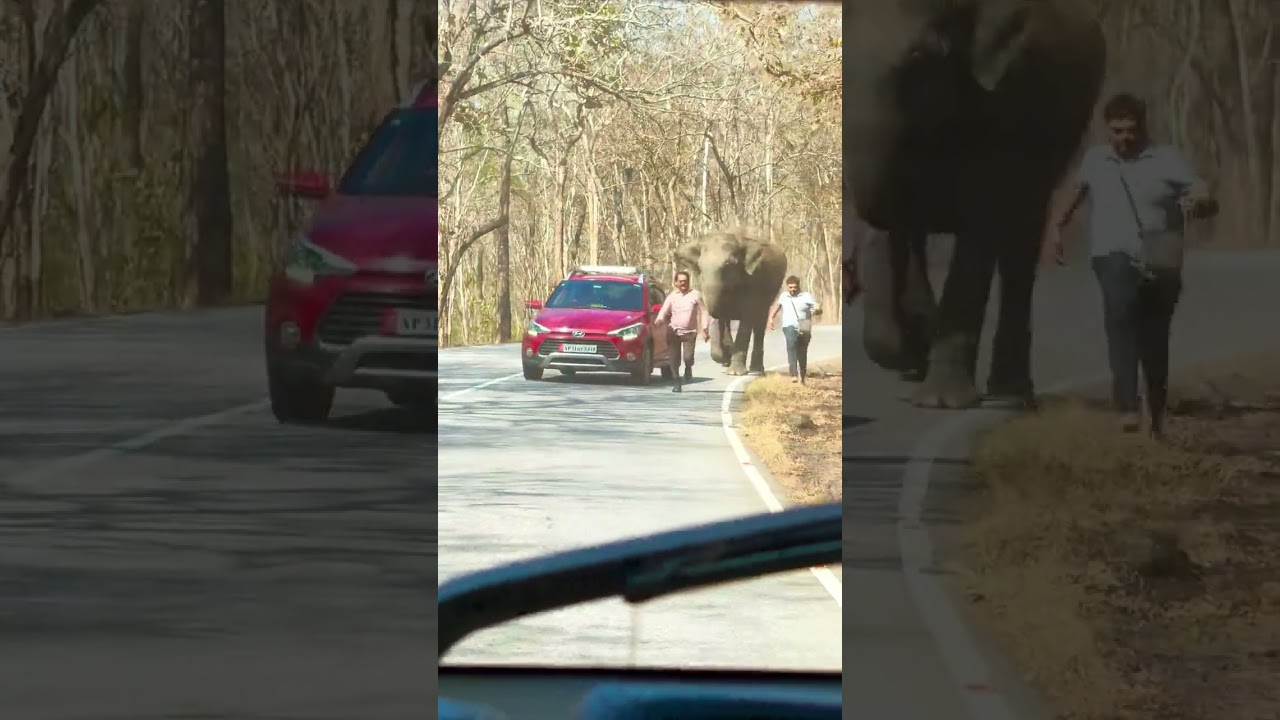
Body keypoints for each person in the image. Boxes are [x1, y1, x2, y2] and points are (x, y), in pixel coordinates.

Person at [1046, 92, 1218, 437]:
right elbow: (1076, 191)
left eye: (1130, 130)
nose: (1124, 138)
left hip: (1162, 248)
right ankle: (1126, 405)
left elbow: (1204, 195)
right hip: (1113, 252)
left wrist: (1198, 203)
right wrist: (1055, 227)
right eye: (1117, 131)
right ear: (1107, 130)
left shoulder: (1168, 158)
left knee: (1155, 337)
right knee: (1120, 311)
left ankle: (1156, 413)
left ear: (1143, 127)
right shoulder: (1096, 159)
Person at [656, 271, 710, 393]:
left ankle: (688, 367)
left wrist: (705, 327)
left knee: (688, 357)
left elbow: (703, 311)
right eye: (680, 281)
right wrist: (659, 319)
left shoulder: (696, 295)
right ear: (676, 282)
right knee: (674, 359)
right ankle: (677, 382)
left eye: (685, 281)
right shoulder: (672, 296)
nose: (683, 283)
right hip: (673, 331)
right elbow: (664, 310)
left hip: (690, 332)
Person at [767, 276, 822, 384]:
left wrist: (817, 309)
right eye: (790, 287)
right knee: (791, 345)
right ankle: (794, 374)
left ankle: (802, 375)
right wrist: (770, 318)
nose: (792, 289)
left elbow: (817, 307)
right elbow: (777, 306)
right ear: (787, 286)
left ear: (799, 286)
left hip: (804, 325)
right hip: (789, 325)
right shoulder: (784, 296)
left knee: (802, 351)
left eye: (795, 287)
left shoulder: (806, 296)